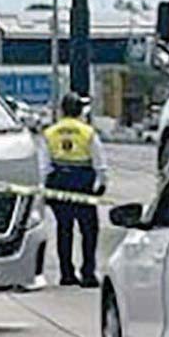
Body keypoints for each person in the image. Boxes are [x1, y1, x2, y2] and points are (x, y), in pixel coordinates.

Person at [43, 92, 108, 288]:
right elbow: (100, 162)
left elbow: (44, 165)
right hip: (82, 183)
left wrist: (44, 189)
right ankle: (88, 273)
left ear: (63, 110)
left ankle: (66, 273)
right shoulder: (87, 132)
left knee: (64, 229)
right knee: (89, 230)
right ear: (80, 110)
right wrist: (101, 183)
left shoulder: (50, 132)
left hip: (59, 182)